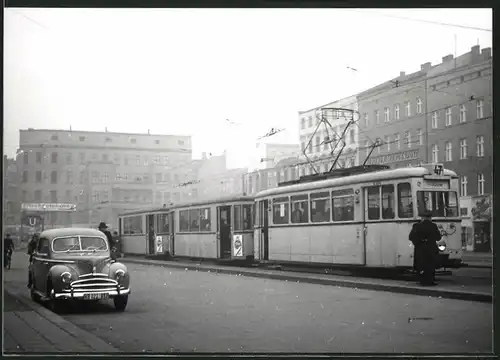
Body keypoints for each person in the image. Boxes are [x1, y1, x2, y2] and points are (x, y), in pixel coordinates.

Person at [409, 210, 441, 286]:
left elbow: (411, 237)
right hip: (431, 248)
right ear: (430, 218)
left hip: (420, 249)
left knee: (421, 265)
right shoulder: (433, 226)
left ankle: (422, 280)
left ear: (422, 218)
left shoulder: (416, 226)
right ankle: (430, 281)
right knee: (430, 265)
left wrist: (417, 243)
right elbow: (438, 237)